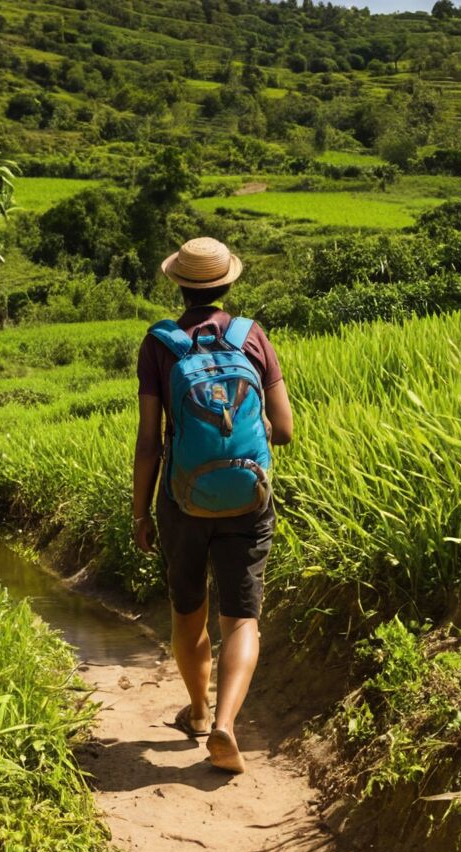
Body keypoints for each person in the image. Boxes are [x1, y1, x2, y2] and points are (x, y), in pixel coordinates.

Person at [132, 237, 293, 774]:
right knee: (242, 619)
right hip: (248, 498)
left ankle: (198, 711)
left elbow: (149, 439)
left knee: (188, 612)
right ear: (229, 283)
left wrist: (139, 511)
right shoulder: (253, 337)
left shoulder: (160, 344)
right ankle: (225, 723)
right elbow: (286, 430)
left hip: (182, 501)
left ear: (178, 283)